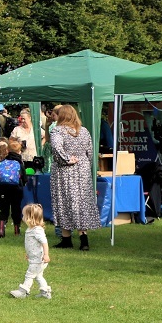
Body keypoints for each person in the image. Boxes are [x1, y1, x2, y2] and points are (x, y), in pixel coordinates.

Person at [49, 105, 100, 250]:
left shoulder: (58, 131)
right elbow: (90, 152)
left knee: (65, 202)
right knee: (81, 202)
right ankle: (83, 239)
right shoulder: (84, 131)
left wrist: (66, 160)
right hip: (82, 171)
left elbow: (56, 149)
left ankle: (66, 239)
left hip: (65, 172)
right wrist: (85, 165)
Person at [9, 204, 52, 299]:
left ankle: (23, 291)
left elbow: (44, 242)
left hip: (38, 260)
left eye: (24, 215)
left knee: (30, 274)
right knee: (38, 276)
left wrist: (46, 255)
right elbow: (31, 244)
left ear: (30, 217)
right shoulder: (31, 229)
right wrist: (29, 254)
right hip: (35, 258)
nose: (23, 217)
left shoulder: (37, 230)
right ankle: (45, 292)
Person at [0, 139, 27, 237]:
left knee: (4, 209)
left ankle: (1, 228)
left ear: (7, 151)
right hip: (16, 189)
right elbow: (24, 178)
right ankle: (17, 230)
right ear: (19, 151)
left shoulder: (2, 163)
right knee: (16, 209)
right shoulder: (19, 164)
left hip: (3, 189)